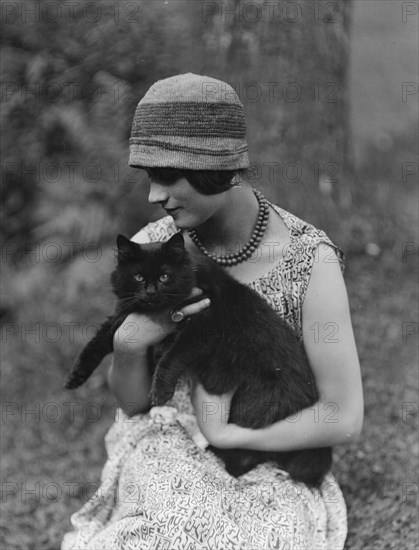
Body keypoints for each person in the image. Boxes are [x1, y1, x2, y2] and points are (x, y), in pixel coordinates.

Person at [61, 73, 363, 550]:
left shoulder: (309, 260)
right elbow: (134, 404)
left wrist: (232, 433)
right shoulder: (153, 250)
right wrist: (125, 346)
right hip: (169, 445)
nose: (153, 196)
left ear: (212, 167)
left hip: (270, 448)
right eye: (149, 178)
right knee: (172, 530)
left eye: (167, 177)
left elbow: (342, 414)